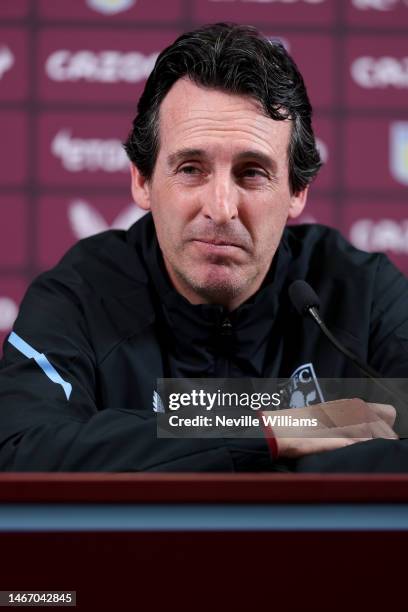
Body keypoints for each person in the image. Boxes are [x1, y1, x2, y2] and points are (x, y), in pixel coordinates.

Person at [1, 22, 408, 472]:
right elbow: (21, 448)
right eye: (191, 168)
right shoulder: (82, 296)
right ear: (142, 180)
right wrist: (275, 432)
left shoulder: (360, 293)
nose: (221, 208)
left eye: (252, 172)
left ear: (297, 191)